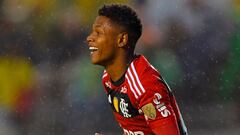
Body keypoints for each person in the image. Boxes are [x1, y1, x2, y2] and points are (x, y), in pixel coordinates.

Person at [86, 4, 188, 135]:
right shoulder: (108, 78)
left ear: (122, 39)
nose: (90, 38)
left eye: (98, 32)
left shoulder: (144, 84)